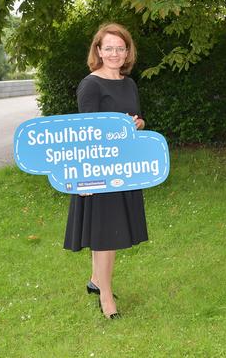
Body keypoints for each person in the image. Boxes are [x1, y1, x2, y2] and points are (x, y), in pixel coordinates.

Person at [63, 23, 148, 319]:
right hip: (100, 170)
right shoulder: (90, 84)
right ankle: (106, 299)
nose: (114, 53)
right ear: (98, 51)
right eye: (108, 48)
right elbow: (86, 132)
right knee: (106, 235)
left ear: (127, 52)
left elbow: (134, 120)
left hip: (123, 168)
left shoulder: (129, 83)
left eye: (120, 48)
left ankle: (96, 281)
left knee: (110, 229)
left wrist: (138, 124)